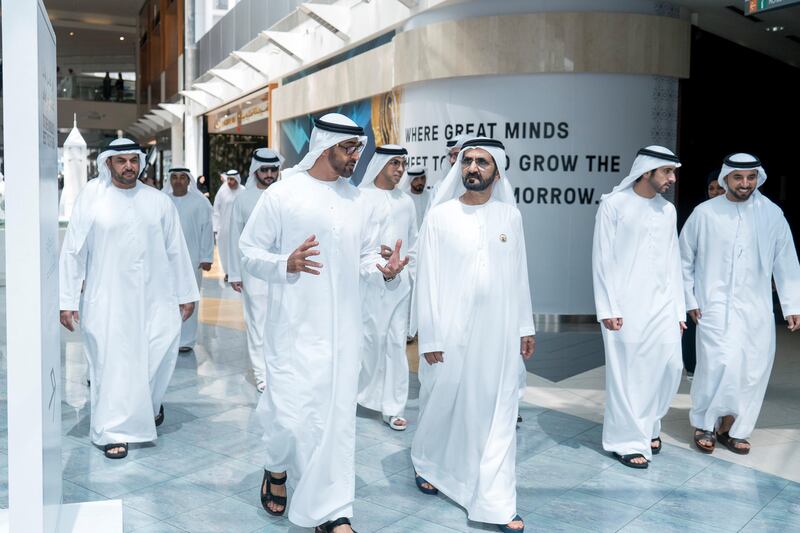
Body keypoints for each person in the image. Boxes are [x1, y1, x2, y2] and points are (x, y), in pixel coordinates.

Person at [239, 114, 408, 533]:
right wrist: (286, 262)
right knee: (289, 418)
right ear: (325, 145)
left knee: (334, 423)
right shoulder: (283, 194)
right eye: (349, 149)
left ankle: (332, 511)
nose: (356, 156)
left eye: (358, 149)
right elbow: (248, 251)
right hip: (292, 329)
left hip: (342, 334)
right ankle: (276, 468)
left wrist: (385, 269)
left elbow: (367, 257)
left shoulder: (359, 202)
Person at [411, 137, 535, 533]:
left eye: (482, 162)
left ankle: (496, 501)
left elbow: (519, 276)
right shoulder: (440, 216)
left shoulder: (509, 218)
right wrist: (428, 336)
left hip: (497, 333)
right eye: (468, 161)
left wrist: (525, 327)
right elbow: (426, 280)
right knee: (442, 403)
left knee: (497, 410)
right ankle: (428, 460)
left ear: (497, 172)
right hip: (448, 330)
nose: (473, 168)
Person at [59, 139, 199, 459]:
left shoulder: (158, 201)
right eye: (120, 160)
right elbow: (73, 251)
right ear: (108, 164)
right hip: (107, 298)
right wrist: (67, 300)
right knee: (114, 363)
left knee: (158, 352)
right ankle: (113, 430)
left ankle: (146, 405)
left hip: (157, 296)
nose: (128, 166)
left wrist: (187, 294)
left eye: (133, 160)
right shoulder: (92, 198)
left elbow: (176, 249)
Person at [680, 153, 800, 455]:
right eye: (738, 177)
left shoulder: (772, 214)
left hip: (756, 308)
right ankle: (705, 424)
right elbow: (683, 261)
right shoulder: (704, 213)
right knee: (717, 364)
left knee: (752, 369)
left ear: (758, 177)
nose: (745, 183)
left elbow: (786, 260)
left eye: (751, 177)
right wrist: (688, 299)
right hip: (714, 305)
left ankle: (733, 428)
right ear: (725, 178)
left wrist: (792, 304)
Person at [592, 146, 686, 469]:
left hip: (662, 304)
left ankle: (649, 423)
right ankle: (626, 439)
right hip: (624, 306)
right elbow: (601, 259)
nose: (672, 179)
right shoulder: (613, 205)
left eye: (673, 172)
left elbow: (674, 262)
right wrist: (607, 307)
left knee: (671, 366)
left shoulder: (668, 211)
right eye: (667, 172)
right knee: (627, 374)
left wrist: (679, 310)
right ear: (647, 172)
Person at [356, 145, 418, 430]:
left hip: (399, 286)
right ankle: (360, 395)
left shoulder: (406, 202)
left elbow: (413, 243)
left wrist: (410, 273)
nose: (400, 169)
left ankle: (393, 407)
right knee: (368, 342)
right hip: (366, 284)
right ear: (379, 164)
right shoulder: (360, 198)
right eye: (394, 162)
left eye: (403, 164)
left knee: (395, 343)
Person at [228, 148, 283, 392]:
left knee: (282, 322)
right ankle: (262, 374)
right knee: (258, 322)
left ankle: (279, 370)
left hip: (284, 270)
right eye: (265, 170)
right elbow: (233, 238)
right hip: (254, 273)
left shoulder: (286, 195)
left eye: (274, 170)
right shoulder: (243, 199)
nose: (270, 174)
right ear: (255, 171)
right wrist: (235, 273)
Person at [682, 167, 726, 380]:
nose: (716, 192)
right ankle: (692, 368)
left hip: (726, 288)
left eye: (720, 188)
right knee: (695, 326)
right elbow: (685, 255)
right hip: (700, 284)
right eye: (711, 188)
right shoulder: (699, 213)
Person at [164, 167, 214, 352]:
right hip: (166, 259)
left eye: (182, 178)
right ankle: (168, 338)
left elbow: (206, 231)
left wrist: (207, 256)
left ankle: (186, 340)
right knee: (167, 298)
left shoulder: (200, 203)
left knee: (189, 297)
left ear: (188, 181)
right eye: (174, 177)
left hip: (192, 258)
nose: (178, 181)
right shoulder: (163, 201)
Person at [212, 169, 245, 281]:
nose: (230, 182)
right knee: (225, 251)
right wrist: (215, 228)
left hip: (240, 229)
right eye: (229, 179)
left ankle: (238, 273)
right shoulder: (222, 191)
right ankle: (228, 273)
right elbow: (216, 210)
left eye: (232, 179)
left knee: (238, 250)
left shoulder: (243, 191)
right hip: (224, 228)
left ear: (237, 179)